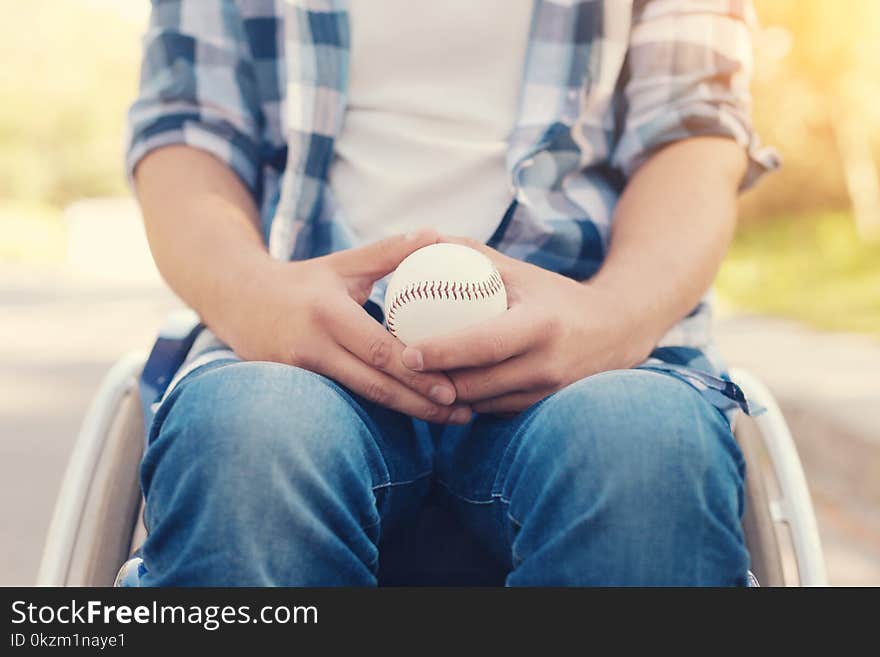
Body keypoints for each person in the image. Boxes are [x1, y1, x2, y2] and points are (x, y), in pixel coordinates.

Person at [128, 0, 777, 586]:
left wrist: (612, 315)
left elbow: (695, 132)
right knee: (246, 438)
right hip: (300, 349)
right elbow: (188, 135)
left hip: (583, 347)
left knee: (642, 449)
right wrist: (257, 298)